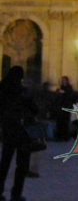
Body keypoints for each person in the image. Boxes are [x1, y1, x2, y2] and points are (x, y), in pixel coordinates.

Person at [0, 66, 37, 201]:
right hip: (23, 132)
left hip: (8, 130)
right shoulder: (23, 92)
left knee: (4, 162)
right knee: (21, 165)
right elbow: (35, 109)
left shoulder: (2, 90)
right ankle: (16, 194)